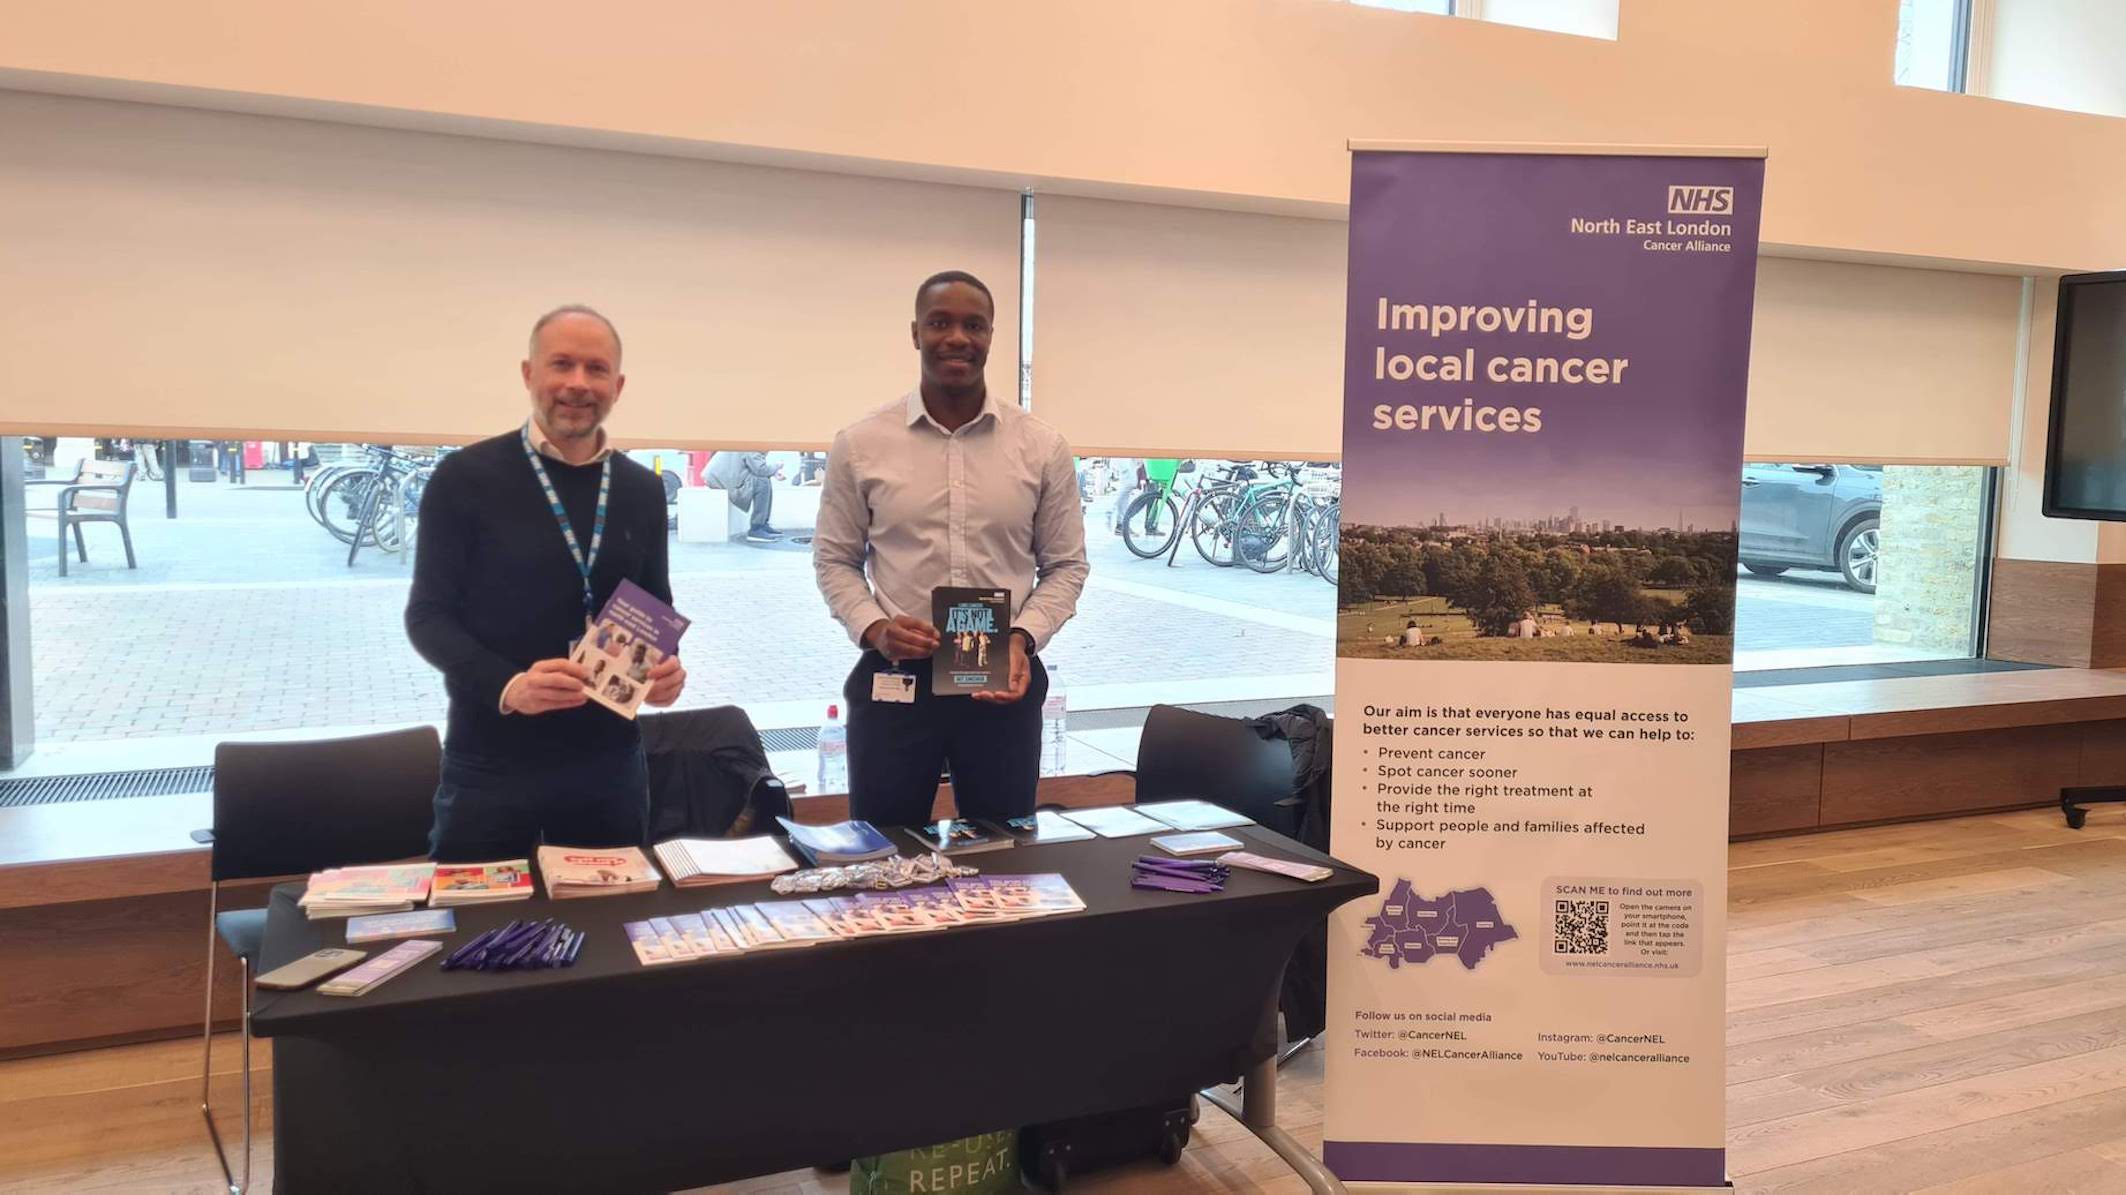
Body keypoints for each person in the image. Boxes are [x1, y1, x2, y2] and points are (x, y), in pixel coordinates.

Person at [405, 305, 688, 862]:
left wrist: (664, 670)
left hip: (608, 764)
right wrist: (509, 685)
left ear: (618, 385)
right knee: (476, 934)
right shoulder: (464, 478)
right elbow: (427, 616)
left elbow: (655, 603)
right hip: (491, 760)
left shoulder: (641, 489)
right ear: (529, 374)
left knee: (609, 932)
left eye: (596, 368)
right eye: (561, 364)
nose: (578, 384)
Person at [813, 270, 1089, 826]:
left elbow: (1066, 566)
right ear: (916, 333)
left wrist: (1021, 638)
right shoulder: (862, 444)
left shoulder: (1040, 447)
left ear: (991, 336)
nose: (957, 338)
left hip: (1002, 681)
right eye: (940, 323)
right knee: (885, 855)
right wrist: (874, 627)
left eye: (973, 325)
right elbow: (834, 559)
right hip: (897, 677)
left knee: (1002, 858)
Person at [705, 450, 782, 543]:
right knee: (762, 482)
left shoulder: (746, 440)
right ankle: (756, 528)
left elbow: (755, 467)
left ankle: (763, 524)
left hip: (720, 477)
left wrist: (772, 472)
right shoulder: (752, 444)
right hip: (723, 479)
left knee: (763, 479)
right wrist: (777, 466)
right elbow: (760, 469)